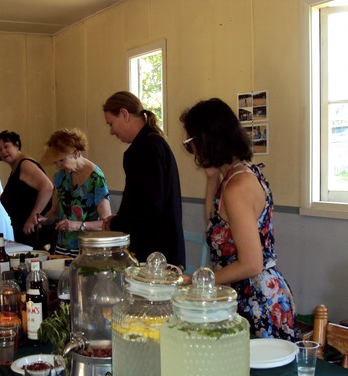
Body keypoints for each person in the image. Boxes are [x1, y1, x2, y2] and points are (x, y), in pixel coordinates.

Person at [180, 98, 297, 340]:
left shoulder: (237, 187)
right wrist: (212, 177)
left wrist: (197, 280)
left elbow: (251, 264)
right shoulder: (238, 174)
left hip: (254, 299)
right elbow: (213, 222)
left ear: (206, 140)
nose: (193, 152)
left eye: (191, 142)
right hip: (246, 293)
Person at [102, 91, 185, 267]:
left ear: (124, 114)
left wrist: (116, 223)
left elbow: (149, 207)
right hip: (161, 248)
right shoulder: (152, 143)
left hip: (155, 253)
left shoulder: (146, 148)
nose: (111, 132)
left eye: (111, 123)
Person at [39, 128, 111, 257]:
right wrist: (44, 220)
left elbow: (106, 222)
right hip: (62, 249)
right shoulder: (60, 176)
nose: (58, 165)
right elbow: (55, 212)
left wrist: (78, 225)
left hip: (87, 250)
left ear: (76, 153)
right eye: (56, 162)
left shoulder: (96, 178)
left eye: (62, 160)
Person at [0, 130, 54, 249]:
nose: (3, 151)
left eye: (6, 146)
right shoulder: (16, 167)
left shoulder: (25, 164)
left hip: (35, 231)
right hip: (24, 232)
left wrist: (32, 217)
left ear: (16, 144)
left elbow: (48, 187)